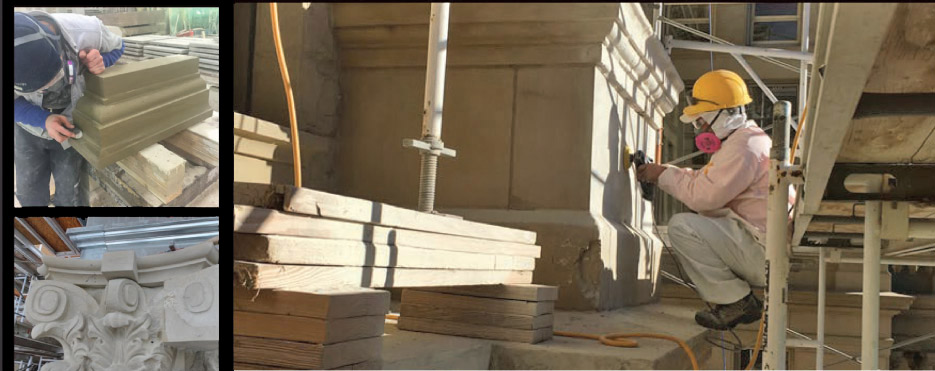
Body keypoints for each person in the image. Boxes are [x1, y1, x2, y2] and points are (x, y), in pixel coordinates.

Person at [636, 69, 789, 330]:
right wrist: (665, 174)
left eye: (701, 121)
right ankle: (736, 299)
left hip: (760, 252)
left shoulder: (743, 147)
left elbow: (704, 197)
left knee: (682, 226)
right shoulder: (745, 142)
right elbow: (708, 183)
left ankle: (736, 302)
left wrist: (662, 175)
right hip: (761, 246)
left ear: (724, 115)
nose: (701, 128)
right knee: (693, 223)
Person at [13, 11, 125, 206]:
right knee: (29, 193)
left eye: (53, 79)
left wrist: (100, 62)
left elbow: (119, 45)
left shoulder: (87, 30)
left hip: (70, 122)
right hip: (26, 128)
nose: (47, 89)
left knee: (70, 197)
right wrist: (43, 120)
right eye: (38, 89)